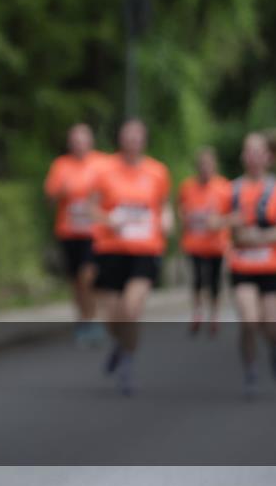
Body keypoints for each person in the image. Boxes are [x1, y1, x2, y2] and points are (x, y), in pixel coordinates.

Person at [90, 119, 171, 396]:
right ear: (120, 140)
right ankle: (120, 345)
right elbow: (88, 208)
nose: (133, 142)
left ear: (144, 141)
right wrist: (108, 219)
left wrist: (168, 220)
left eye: (138, 137)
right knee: (113, 317)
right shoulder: (104, 170)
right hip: (111, 249)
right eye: (128, 137)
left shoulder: (158, 172)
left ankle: (127, 363)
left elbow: (164, 205)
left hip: (145, 250)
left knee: (131, 309)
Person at [226, 133, 276, 398]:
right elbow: (218, 224)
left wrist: (258, 237)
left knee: (270, 326)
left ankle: (275, 348)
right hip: (242, 267)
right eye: (249, 152)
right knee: (249, 320)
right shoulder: (231, 190)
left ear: (268, 157)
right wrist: (228, 228)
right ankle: (251, 371)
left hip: (273, 267)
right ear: (243, 157)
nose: (254, 157)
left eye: (259, 152)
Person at [44, 123, 106, 345]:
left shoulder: (102, 163)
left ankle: (93, 319)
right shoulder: (61, 165)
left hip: (94, 231)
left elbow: (113, 193)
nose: (79, 144)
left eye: (83, 139)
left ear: (91, 141)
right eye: (75, 140)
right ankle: (83, 319)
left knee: (88, 276)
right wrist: (62, 192)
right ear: (70, 143)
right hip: (68, 231)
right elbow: (49, 199)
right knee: (76, 281)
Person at [177, 148, 231, 336]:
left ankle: (214, 315)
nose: (205, 169)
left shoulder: (224, 187)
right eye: (202, 165)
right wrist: (186, 220)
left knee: (215, 281)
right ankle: (198, 312)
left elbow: (232, 216)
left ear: (214, 166)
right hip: (194, 242)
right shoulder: (187, 187)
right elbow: (181, 210)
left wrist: (220, 222)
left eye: (209, 165)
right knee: (198, 278)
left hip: (216, 244)